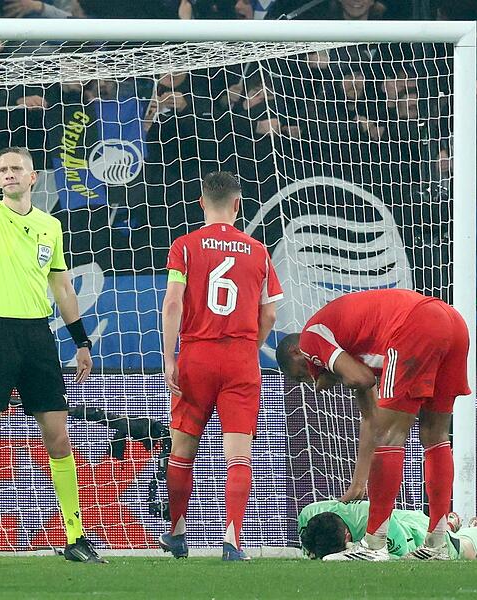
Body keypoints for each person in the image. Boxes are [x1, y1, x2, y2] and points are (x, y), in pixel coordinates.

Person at [0, 101, 102, 563]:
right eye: (2, 169)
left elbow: (61, 285)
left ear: (33, 177)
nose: (9, 174)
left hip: (39, 338)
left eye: (17, 168)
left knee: (59, 440)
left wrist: (81, 341)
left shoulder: (50, 226)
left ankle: (75, 538)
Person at [275, 289, 470, 561]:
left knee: (391, 437)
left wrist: (328, 377)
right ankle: (437, 543)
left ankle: (374, 544)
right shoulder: (355, 344)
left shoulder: (311, 338)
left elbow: (362, 379)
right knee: (435, 435)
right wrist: (358, 482)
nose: (311, 382)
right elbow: (371, 418)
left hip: (417, 324)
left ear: (296, 352)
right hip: (452, 323)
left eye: (301, 375)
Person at [159, 171, 282, 561]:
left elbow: (173, 302)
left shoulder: (185, 246)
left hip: (196, 354)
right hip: (241, 359)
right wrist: (249, 347)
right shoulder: (259, 250)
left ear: (201, 203)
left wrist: (168, 355)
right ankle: (231, 540)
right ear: (237, 204)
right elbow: (271, 315)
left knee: (182, 451)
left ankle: (177, 533)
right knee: (238, 456)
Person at [299, 502, 477, 561]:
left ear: (348, 535)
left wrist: (354, 552)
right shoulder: (309, 514)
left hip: (411, 530)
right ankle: (450, 523)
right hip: (395, 516)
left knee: (464, 552)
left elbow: (404, 559)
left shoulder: (375, 523)